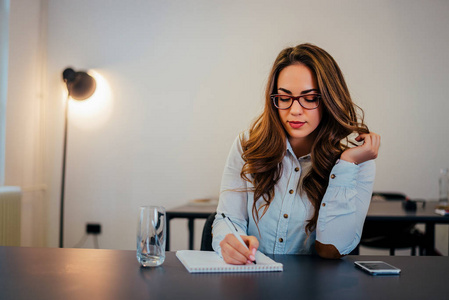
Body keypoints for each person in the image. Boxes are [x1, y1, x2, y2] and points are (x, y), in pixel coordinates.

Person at [211, 43, 380, 264]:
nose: (295, 110)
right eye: (284, 98)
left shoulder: (357, 161)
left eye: (309, 98)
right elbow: (228, 219)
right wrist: (229, 241)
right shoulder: (247, 145)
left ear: (329, 99)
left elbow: (332, 249)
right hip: (254, 281)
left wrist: (346, 164)